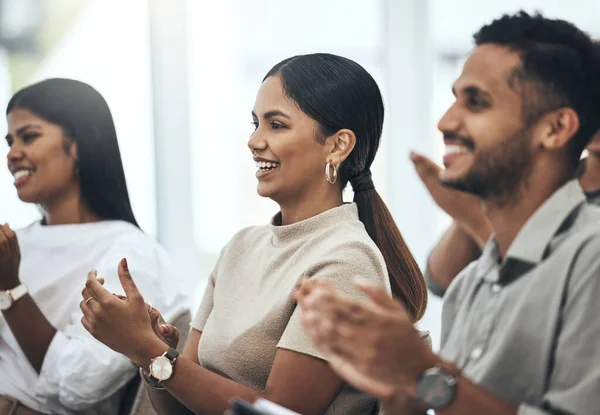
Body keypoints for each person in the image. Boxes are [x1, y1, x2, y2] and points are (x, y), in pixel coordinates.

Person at [78, 53, 428, 415]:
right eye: (255, 123)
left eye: (276, 125)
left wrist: (148, 351)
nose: (254, 141)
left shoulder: (346, 258)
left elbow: (280, 412)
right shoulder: (240, 247)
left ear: (337, 145)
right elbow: (179, 409)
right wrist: (153, 353)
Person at [296, 12, 600, 415]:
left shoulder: (591, 259)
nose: (445, 122)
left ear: (556, 128)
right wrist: (397, 388)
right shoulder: (469, 285)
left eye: (476, 102)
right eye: (455, 97)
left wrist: (423, 373)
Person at [0, 78, 186, 414]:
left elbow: (81, 384)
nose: (12, 154)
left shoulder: (127, 252)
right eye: (9, 141)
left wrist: (11, 290)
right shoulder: (14, 244)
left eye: (29, 136)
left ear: (81, 144)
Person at [415, 128, 600, 297]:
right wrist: (474, 195)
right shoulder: (549, 177)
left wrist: (476, 219)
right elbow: (442, 280)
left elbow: (549, 300)